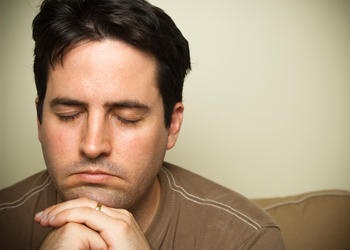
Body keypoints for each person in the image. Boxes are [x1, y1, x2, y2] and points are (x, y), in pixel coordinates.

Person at [0, 0, 285, 249]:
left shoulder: (246, 240)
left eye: (127, 118)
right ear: (39, 120)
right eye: (69, 114)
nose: (93, 145)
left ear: (172, 125)